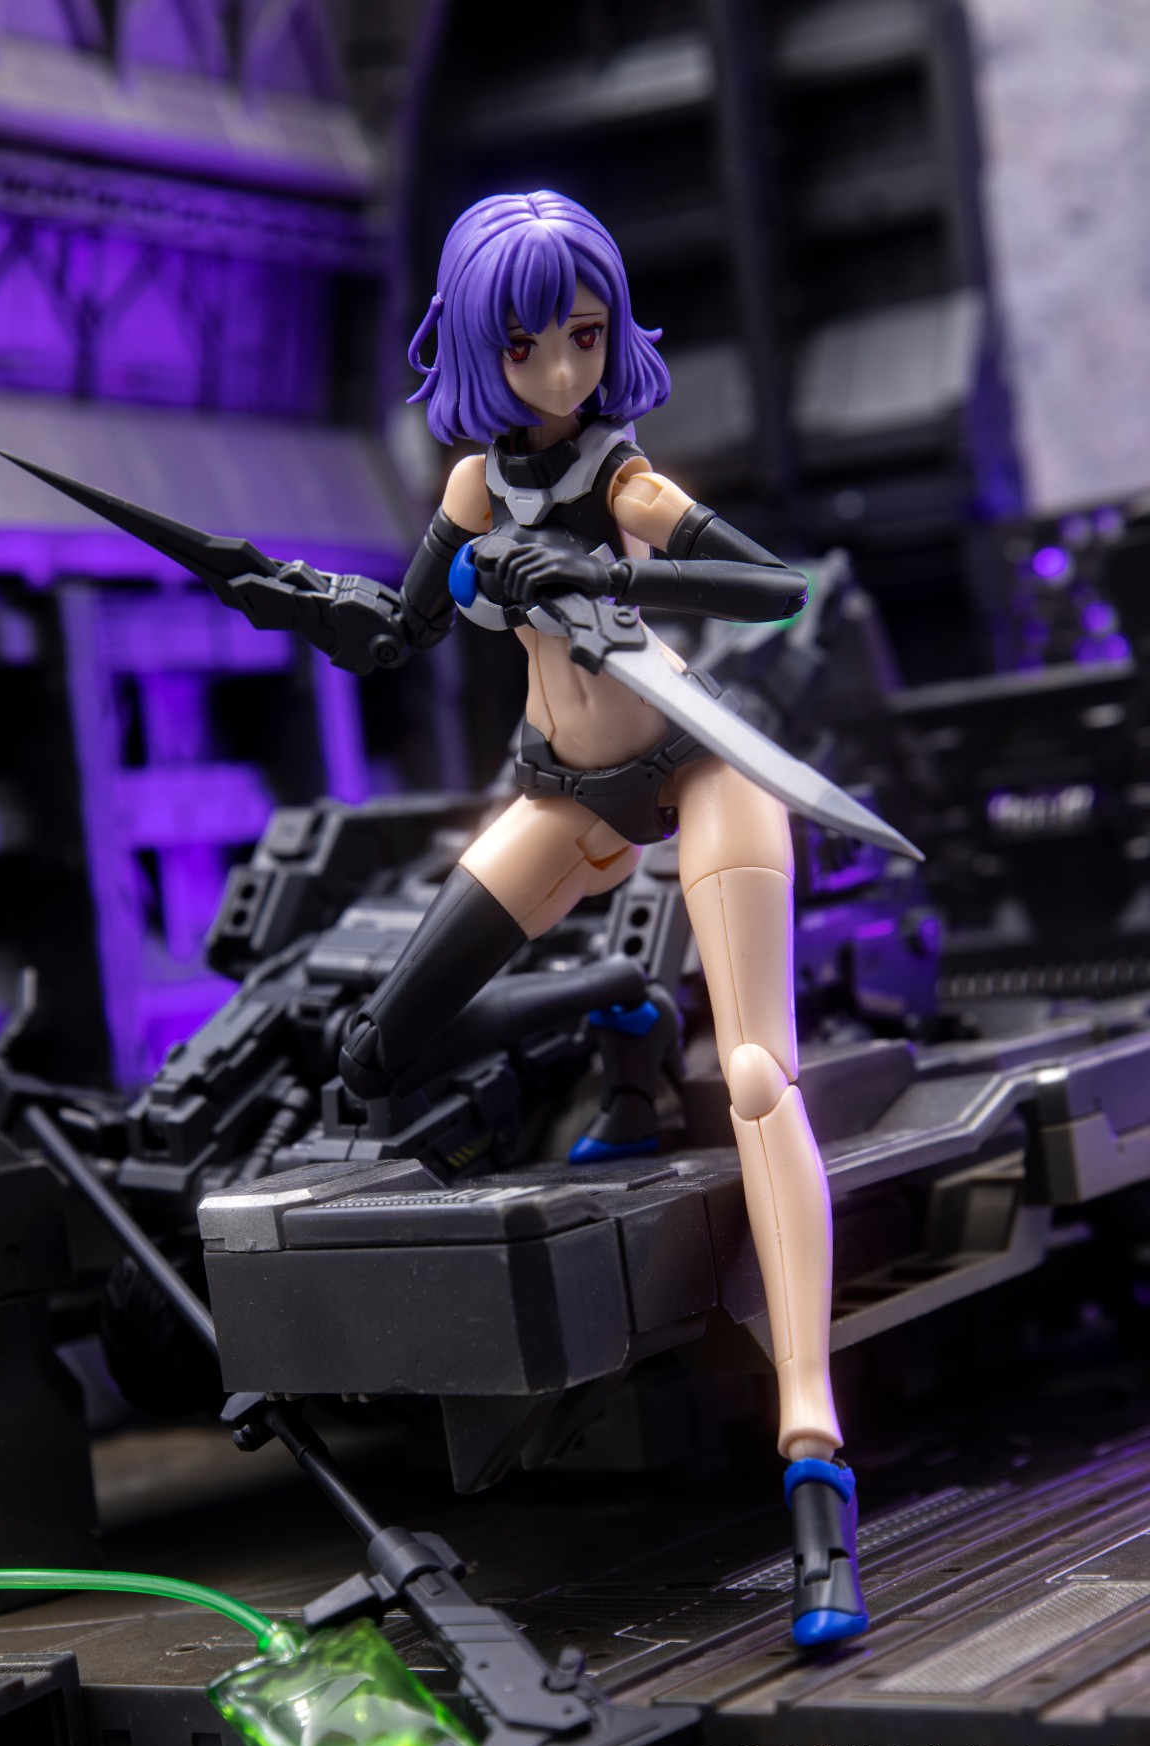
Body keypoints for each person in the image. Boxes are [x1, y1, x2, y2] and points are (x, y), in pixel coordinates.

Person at [338, 191, 869, 1649]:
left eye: (584, 336)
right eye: (529, 347)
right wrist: (301, 603)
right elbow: (398, 630)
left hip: (696, 771)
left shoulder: (622, 482)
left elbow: (770, 590)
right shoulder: (469, 488)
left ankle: (813, 1462)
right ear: (476, 349)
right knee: (378, 1049)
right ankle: (621, 1018)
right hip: (563, 793)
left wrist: (602, 570)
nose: (565, 372)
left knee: (755, 1076)